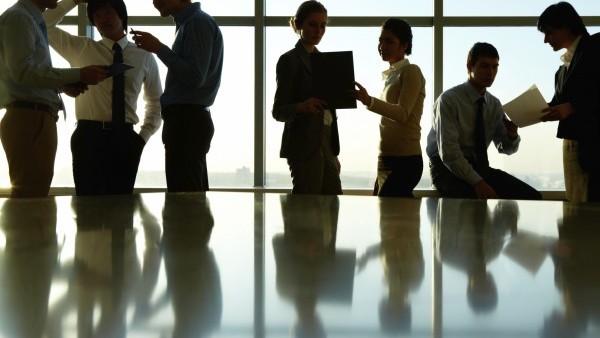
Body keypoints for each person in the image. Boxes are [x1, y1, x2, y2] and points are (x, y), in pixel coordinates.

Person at [44, 0, 162, 196]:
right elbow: (43, 24)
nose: (102, 18)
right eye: (96, 15)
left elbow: (156, 102)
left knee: (121, 211)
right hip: (88, 137)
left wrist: (141, 139)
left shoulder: (144, 55)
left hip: (126, 139)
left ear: (121, 15)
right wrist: (72, 1)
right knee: (88, 212)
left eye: (108, 12)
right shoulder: (81, 47)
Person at [0, 0, 108, 198]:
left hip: (33, 116)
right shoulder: (20, 18)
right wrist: (78, 75)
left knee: (33, 196)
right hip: (29, 118)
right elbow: (22, 72)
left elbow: (24, 74)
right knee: (30, 199)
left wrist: (59, 85)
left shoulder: (30, 18)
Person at [426, 42, 542, 200]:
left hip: (478, 166)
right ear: (469, 66)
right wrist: (478, 182)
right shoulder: (448, 100)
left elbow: (506, 149)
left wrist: (512, 135)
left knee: (532, 196)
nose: (491, 73)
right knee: (475, 201)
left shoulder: (494, 104)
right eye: (484, 66)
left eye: (495, 67)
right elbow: (449, 154)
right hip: (445, 168)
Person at [130, 0, 223, 192]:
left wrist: (158, 48)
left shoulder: (196, 22)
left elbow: (194, 76)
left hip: (187, 122)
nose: (155, 2)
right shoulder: (188, 23)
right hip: (185, 120)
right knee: (189, 196)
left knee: (185, 200)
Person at [272, 0, 342, 195]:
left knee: (334, 204)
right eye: (313, 24)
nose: (318, 30)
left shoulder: (325, 62)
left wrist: (332, 152)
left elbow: (328, 113)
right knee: (306, 209)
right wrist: (302, 106)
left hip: (326, 143)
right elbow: (278, 111)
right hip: (303, 144)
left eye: (323, 26)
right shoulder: (289, 60)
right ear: (298, 25)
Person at [354, 18, 425, 198]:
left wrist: (369, 100)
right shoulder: (390, 75)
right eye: (380, 41)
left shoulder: (411, 71)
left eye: (389, 41)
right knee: (391, 220)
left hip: (406, 160)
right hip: (386, 157)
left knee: (392, 216)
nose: (382, 46)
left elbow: (402, 113)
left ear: (404, 45)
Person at [537, 2, 600, 203]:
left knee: (591, 204)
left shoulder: (596, 46)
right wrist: (527, 115)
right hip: (573, 141)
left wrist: (572, 107)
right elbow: (558, 104)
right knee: (577, 200)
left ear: (566, 27)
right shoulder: (562, 70)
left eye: (549, 32)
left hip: (593, 140)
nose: (546, 40)